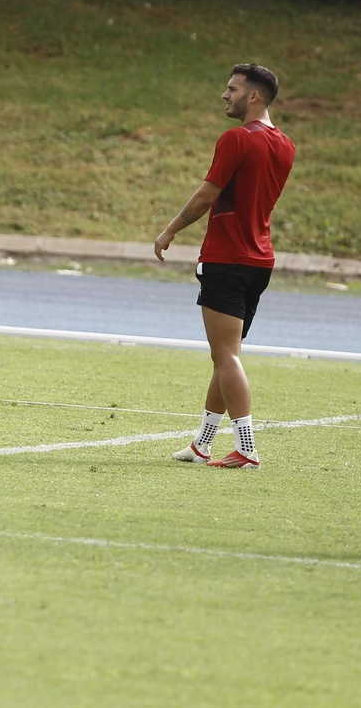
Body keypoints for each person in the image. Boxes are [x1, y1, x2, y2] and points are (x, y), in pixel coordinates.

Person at [154, 63, 296, 469]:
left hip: (226, 258)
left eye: (232, 89)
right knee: (227, 353)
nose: (224, 94)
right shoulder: (285, 144)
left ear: (254, 96)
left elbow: (205, 197)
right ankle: (202, 444)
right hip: (259, 260)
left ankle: (247, 447)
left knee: (226, 357)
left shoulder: (236, 139)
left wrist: (169, 231)